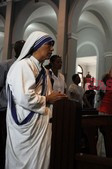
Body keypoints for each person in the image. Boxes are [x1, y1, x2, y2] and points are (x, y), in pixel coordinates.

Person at [5, 31, 67, 169]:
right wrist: (48, 98)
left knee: (41, 161)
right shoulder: (23, 66)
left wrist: (57, 97)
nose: (52, 49)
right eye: (48, 45)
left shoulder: (44, 71)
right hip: (26, 124)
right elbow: (24, 97)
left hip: (41, 122)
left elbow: (49, 94)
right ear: (36, 45)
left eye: (53, 45)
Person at [0, 40, 25, 169]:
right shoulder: (6, 64)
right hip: (6, 107)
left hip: (22, 109)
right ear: (15, 49)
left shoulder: (26, 65)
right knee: (5, 139)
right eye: (21, 47)